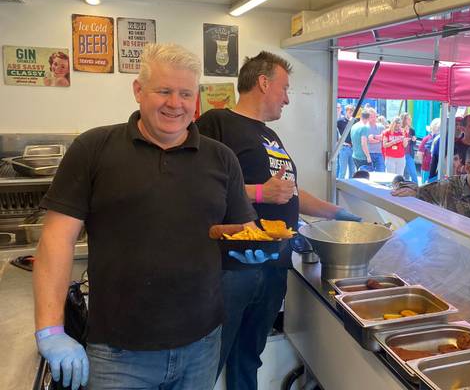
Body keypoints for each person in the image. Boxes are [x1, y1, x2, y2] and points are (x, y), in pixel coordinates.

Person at [33, 43, 261, 390]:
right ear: (138, 90)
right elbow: (56, 239)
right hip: (117, 353)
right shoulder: (93, 149)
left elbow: (243, 228)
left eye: (186, 93)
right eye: (164, 91)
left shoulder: (221, 158)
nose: (175, 103)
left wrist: (254, 245)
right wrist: (50, 329)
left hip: (202, 345)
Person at [196, 51, 361, 390]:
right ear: (263, 82)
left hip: (273, 267)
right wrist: (259, 193)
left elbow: (291, 193)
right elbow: (197, 186)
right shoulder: (217, 122)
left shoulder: (270, 137)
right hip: (232, 267)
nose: (287, 98)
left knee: (248, 357)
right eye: (284, 88)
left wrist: (337, 214)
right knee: (207, 361)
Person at [429, 115, 470, 180]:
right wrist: (431, 177)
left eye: (460, 124)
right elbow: (435, 159)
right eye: (456, 124)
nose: (458, 127)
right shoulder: (442, 140)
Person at [336, 104, 355, 179]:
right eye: (349, 111)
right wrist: (340, 142)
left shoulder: (355, 121)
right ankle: (339, 185)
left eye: (352, 111)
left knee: (352, 170)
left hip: (353, 148)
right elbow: (334, 133)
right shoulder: (340, 121)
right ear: (346, 111)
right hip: (344, 148)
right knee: (342, 171)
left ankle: (351, 185)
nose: (351, 113)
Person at [419, 118, 440, 183]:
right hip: (426, 168)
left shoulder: (440, 138)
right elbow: (420, 153)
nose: (439, 128)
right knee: (425, 186)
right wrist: (424, 163)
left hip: (435, 169)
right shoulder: (426, 138)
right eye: (438, 126)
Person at [401, 113, 419, 183]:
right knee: (404, 174)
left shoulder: (412, 130)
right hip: (400, 154)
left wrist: (414, 140)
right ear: (404, 120)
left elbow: (414, 143)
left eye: (410, 118)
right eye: (408, 119)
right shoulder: (400, 129)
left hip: (409, 154)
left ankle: (416, 187)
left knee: (413, 173)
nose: (410, 120)